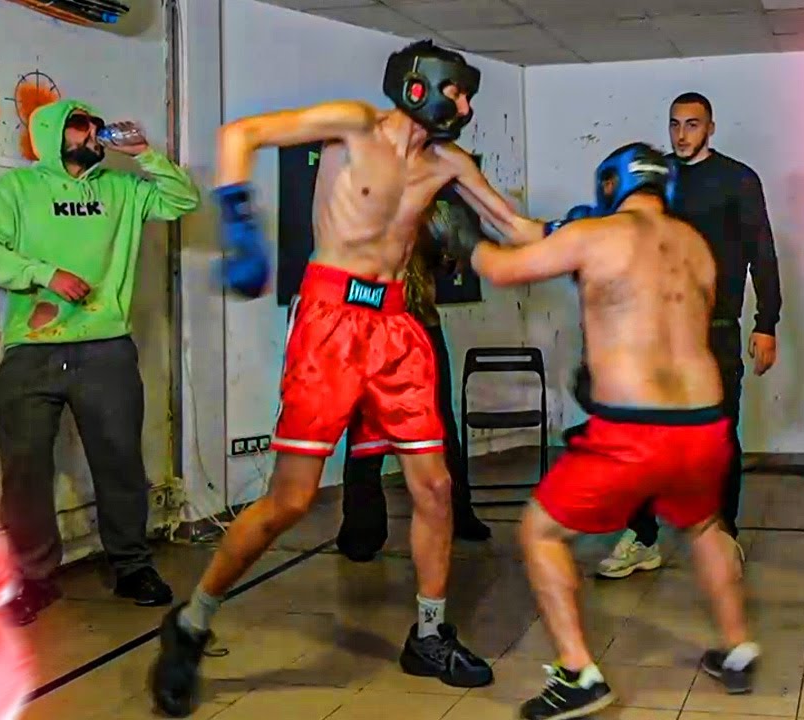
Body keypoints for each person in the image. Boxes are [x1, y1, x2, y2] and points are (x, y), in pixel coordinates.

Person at [150, 39, 552, 717]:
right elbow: (239, 134)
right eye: (459, 92)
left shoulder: (448, 162)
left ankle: (428, 634)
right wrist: (241, 229)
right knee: (291, 502)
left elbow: (516, 225)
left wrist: (602, 230)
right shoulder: (352, 122)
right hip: (330, 322)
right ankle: (191, 622)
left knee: (435, 487)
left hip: (399, 330)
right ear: (423, 84)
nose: (468, 105)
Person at [461, 142, 760, 719]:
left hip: (634, 430)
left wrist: (463, 242)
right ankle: (738, 647)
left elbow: (503, 268)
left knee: (540, 533)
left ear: (608, 186)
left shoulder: (597, 236)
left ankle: (578, 674)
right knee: (703, 526)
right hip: (704, 424)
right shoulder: (695, 246)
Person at [0, 99, 201, 625]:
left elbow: (184, 201)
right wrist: (44, 274)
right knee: (25, 469)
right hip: (32, 349)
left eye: (96, 123)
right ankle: (31, 578)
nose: (93, 131)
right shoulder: (18, 190)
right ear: (51, 133)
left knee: (118, 462)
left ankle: (132, 566)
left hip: (106, 347)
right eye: (80, 124)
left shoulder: (122, 189)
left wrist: (146, 156)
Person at [594, 92, 783, 580]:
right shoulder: (656, 183)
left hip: (715, 333)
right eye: (675, 124)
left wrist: (767, 323)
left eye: (693, 125)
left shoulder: (738, 180)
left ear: (711, 128)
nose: (682, 134)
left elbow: (762, 253)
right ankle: (643, 537)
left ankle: (724, 536)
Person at [336, 202, 492, 563]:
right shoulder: (360, 205)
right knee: (364, 430)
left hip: (422, 325)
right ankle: (361, 531)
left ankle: (459, 514)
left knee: (441, 425)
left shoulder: (429, 208)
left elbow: (451, 261)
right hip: (371, 327)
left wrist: (452, 250)